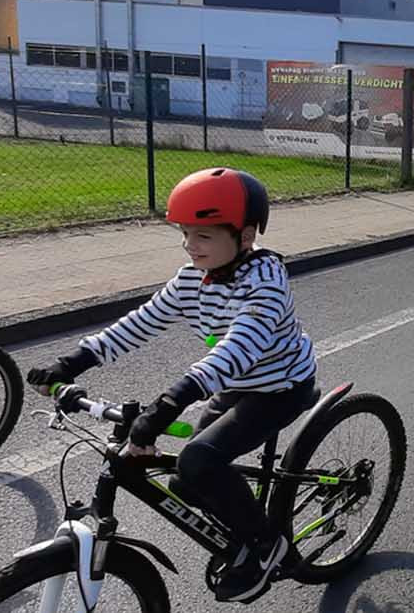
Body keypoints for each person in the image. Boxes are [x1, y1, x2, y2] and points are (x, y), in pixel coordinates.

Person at [26, 168, 318, 603]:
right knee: (186, 481)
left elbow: (236, 350)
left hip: (279, 387)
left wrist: (168, 404)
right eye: (184, 234)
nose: (189, 246)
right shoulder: (193, 278)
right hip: (235, 384)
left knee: (199, 462)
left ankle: (264, 544)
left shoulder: (266, 283)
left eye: (203, 236)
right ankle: (240, 524)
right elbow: (139, 324)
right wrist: (73, 362)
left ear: (246, 235)